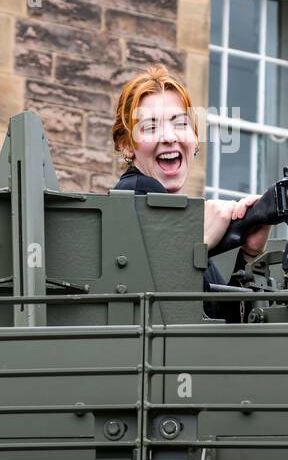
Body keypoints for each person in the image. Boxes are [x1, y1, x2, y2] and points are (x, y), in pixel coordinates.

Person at [110, 66, 271, 322]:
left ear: (195, 139)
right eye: (150, 127)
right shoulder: (136, 193)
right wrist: (201, 240)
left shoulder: (176, 222)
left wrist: (249, 254)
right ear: (127, 145)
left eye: (180, 124)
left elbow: (223, 322)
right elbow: (164, 309)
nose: (169, 137)